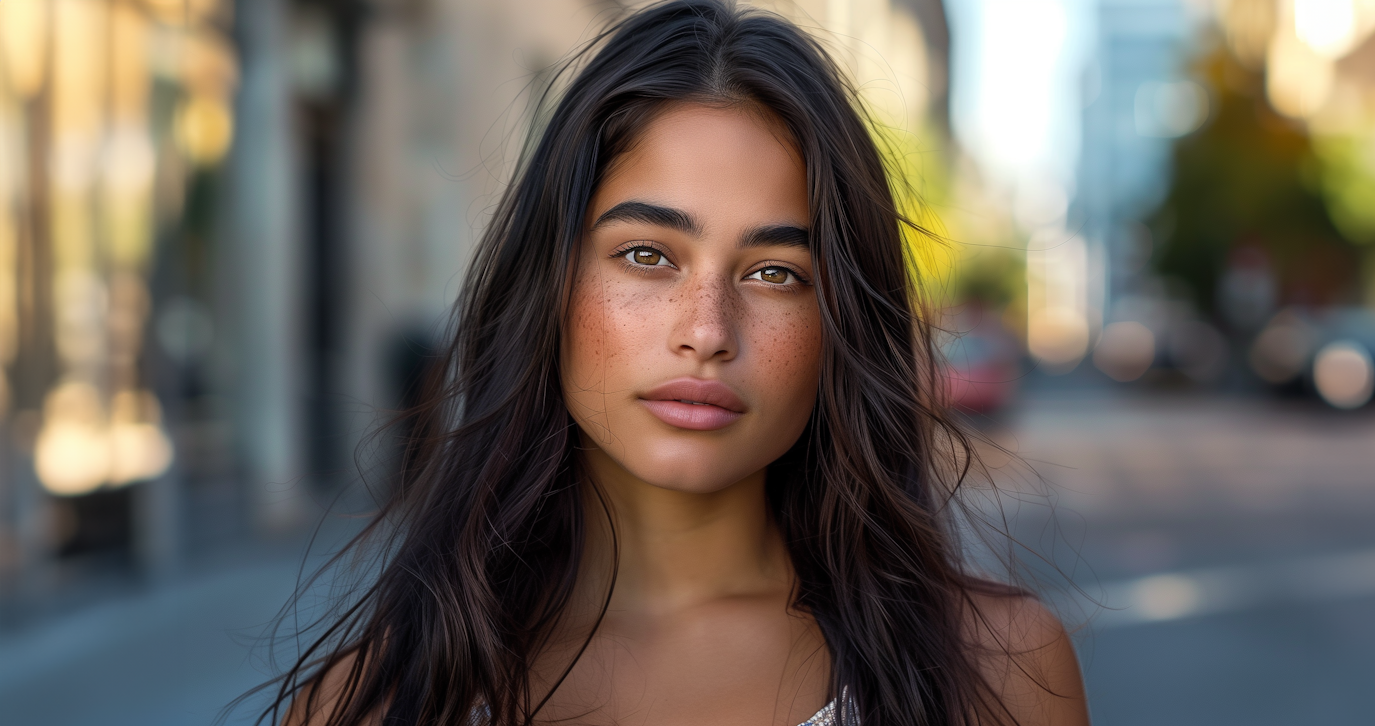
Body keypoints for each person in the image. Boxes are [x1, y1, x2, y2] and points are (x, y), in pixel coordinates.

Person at [265, 1, 1087, 724]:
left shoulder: (997, 674)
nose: (707, 330)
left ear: (840, 321)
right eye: (649, 255)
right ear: (551, 282)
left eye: (775, 273)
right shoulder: (371, 702)